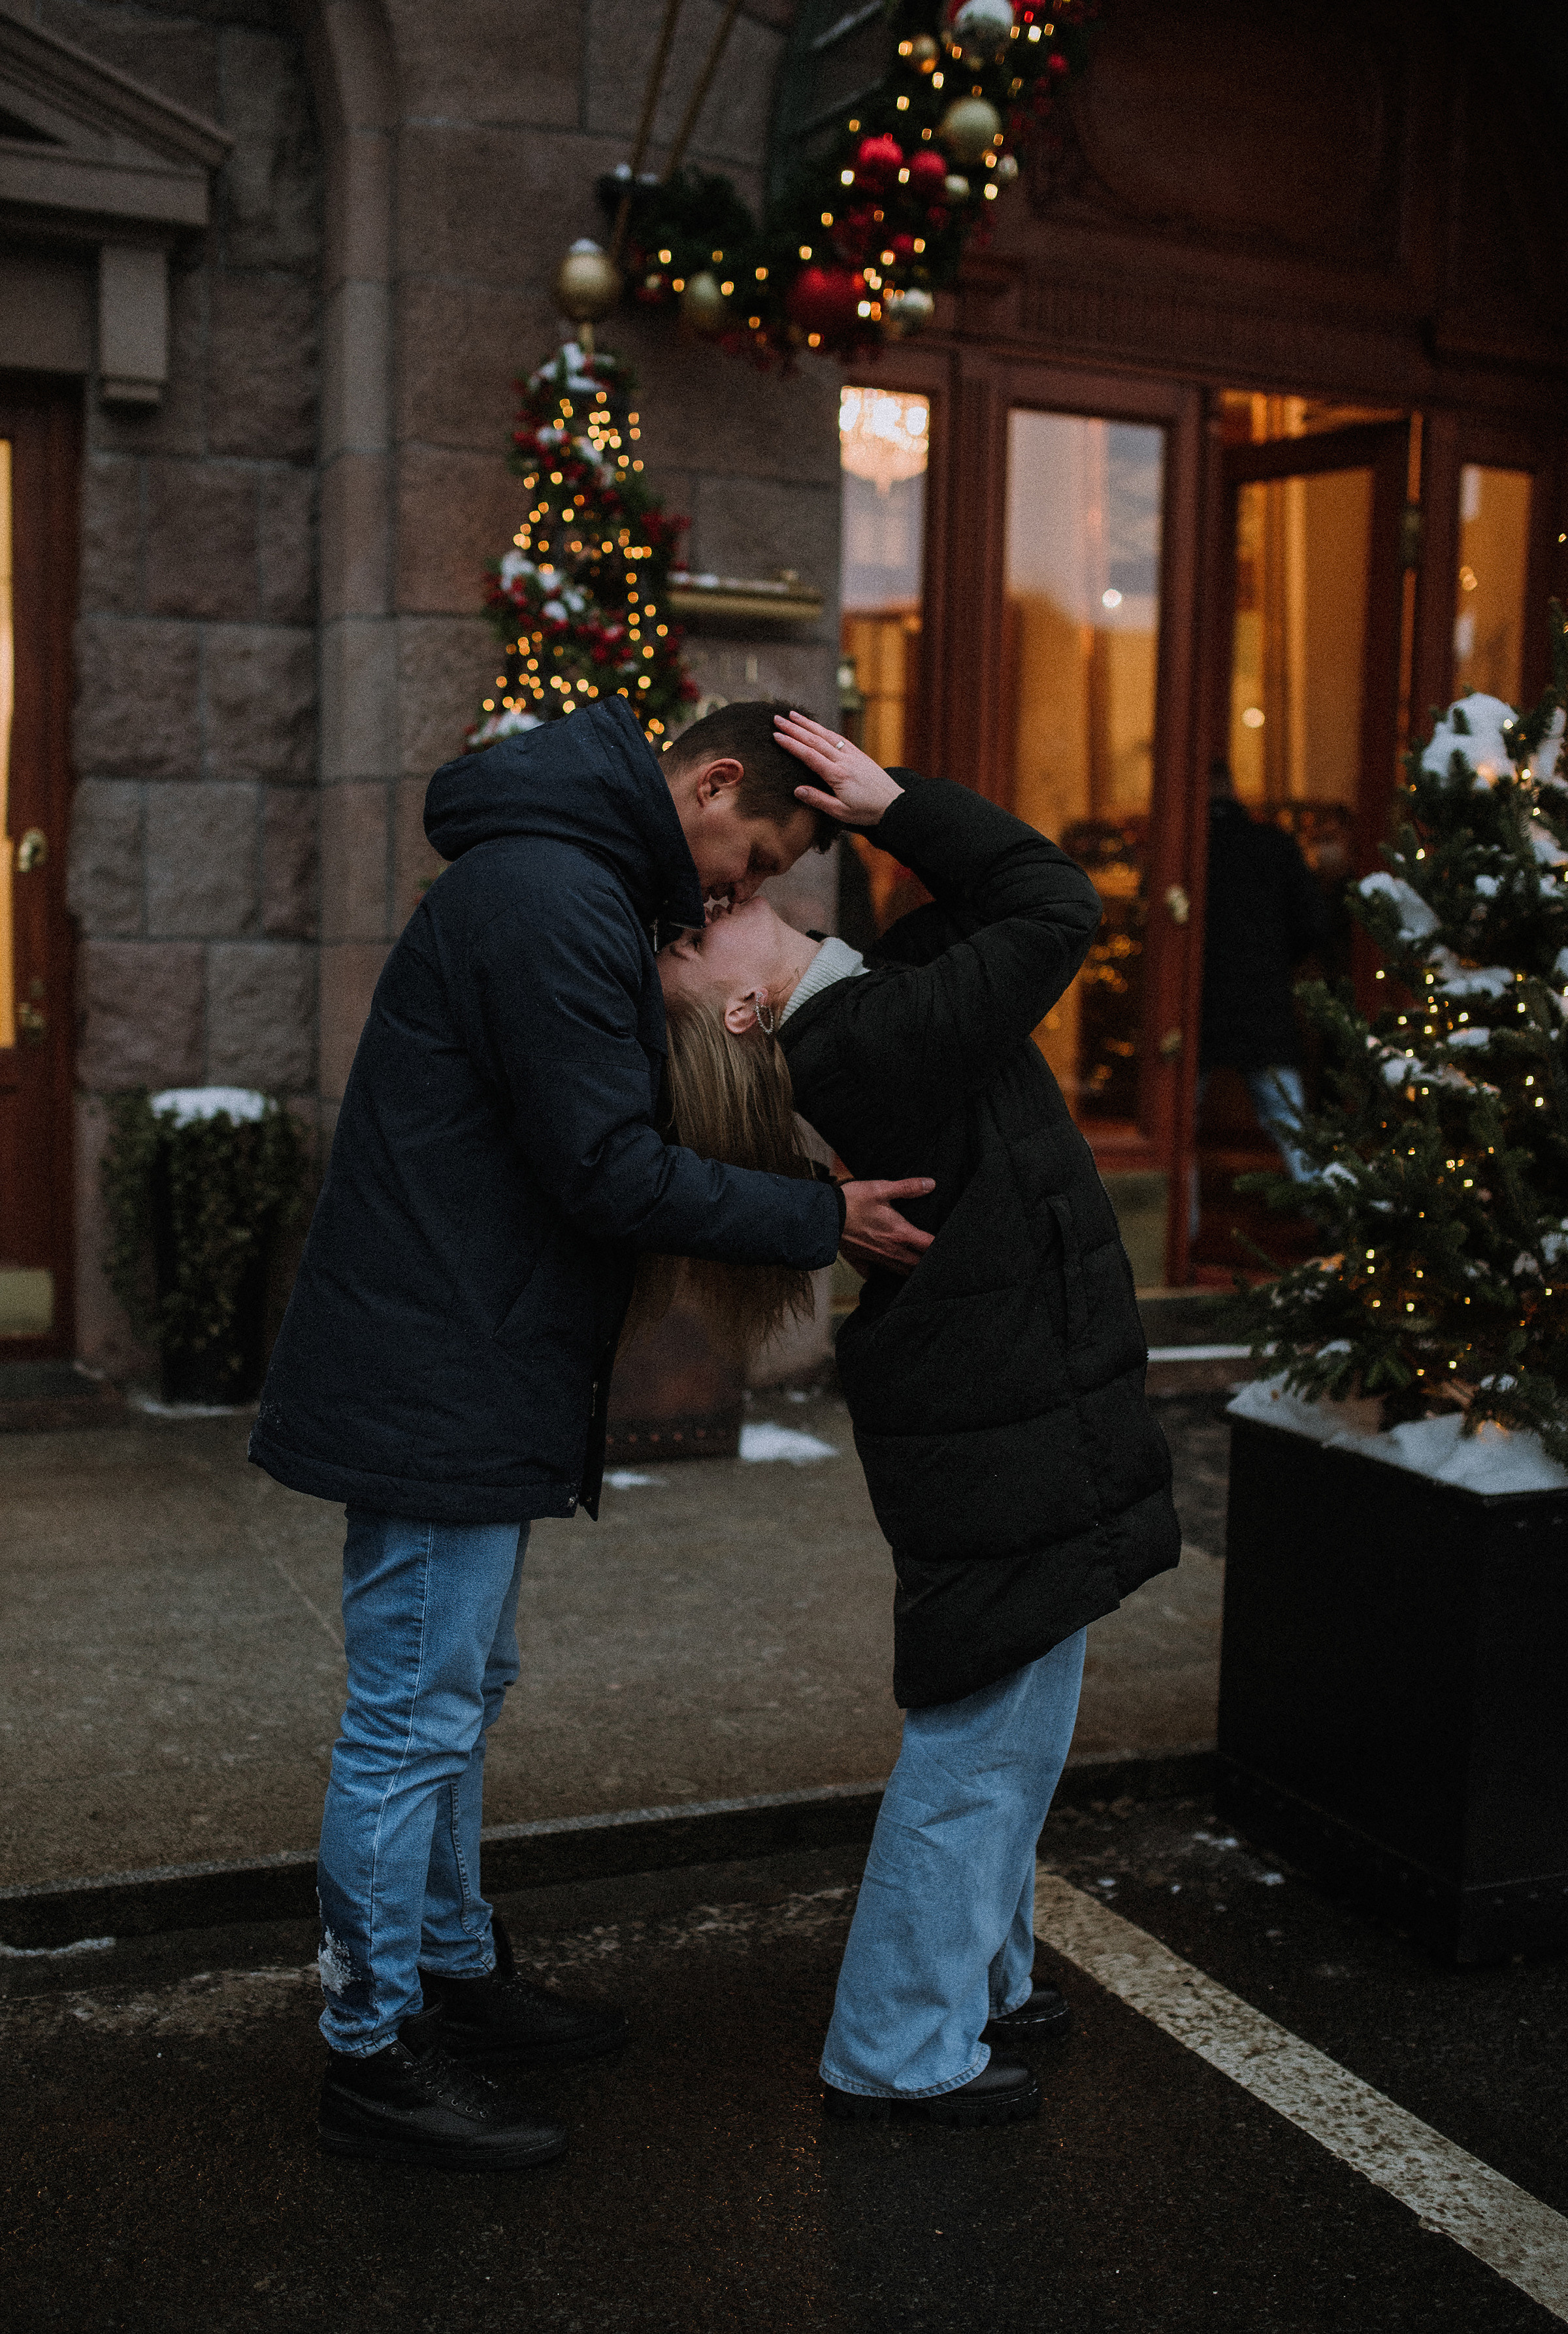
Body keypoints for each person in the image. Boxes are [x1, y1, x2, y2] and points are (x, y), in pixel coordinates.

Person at [249, 695, 936, 2172]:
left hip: (469, 1352)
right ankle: (372, 2049)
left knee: (457, 1690)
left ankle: (450, 1969)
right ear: (711, 783)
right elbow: (606, 1167)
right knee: (413, 1716)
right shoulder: (553, 894)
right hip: (443, 1364)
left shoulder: (561, 879)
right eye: (754, 860)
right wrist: (818, 1214)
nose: (740, 896)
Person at [655, 710, 1181, 2128]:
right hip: (998, 1411)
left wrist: (896, 823)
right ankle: (898, 2044)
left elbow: (985, 913)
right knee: (984, 1740)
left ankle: (985, 1978)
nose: (722, 899)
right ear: (738, 1015)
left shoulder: (876, 1002)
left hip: (1013, 1401)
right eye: (693, 939)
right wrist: (892, 806)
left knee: (1018, 1726)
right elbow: (1052, 903)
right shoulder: (873, 1042)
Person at [1195, 757, 1333, 1230]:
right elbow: (1314, 923)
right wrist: (1273, 960)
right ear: (1234, 790)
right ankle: (1330, 1225)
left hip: (1197, 1004)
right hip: (1264, 1002)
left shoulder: (1187, 846)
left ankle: (1179, 1228)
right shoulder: (1273, 845)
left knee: (1173, 1126)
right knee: (1289, 1120)